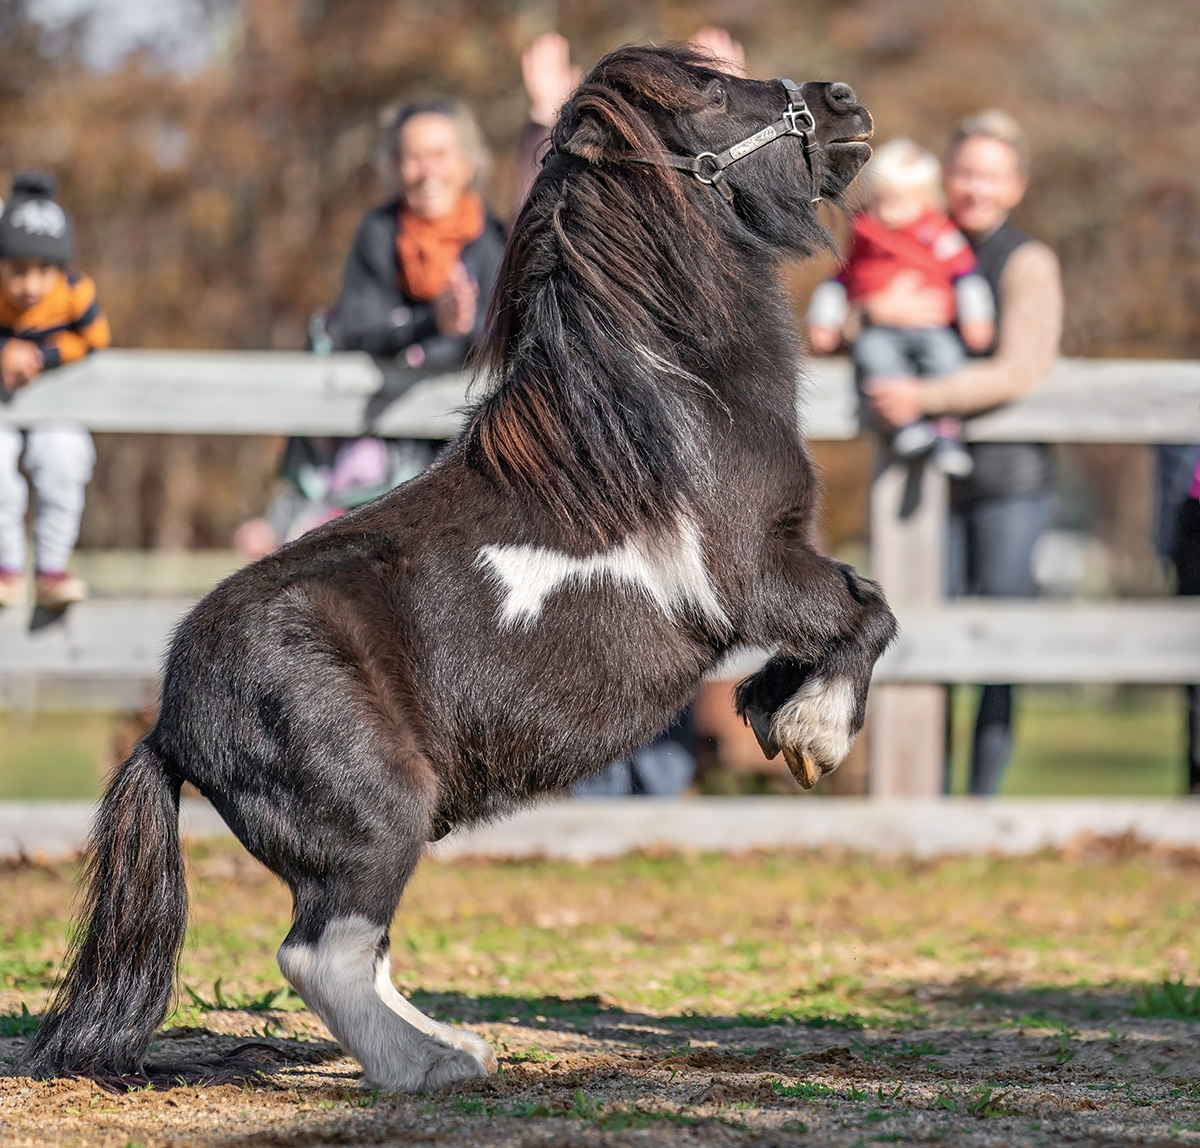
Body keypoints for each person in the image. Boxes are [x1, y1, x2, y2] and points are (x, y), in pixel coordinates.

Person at [863, 111, 1063, 796]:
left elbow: (1021, 368)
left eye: (991, 175)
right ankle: (926, 794)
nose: (974, 187)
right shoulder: (911, 238)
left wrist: (924, 396)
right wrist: (874, 312)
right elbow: (857, 308)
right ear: (944, 176)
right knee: (919, 640)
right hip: (925, 479)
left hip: (1010, 482)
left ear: (1016, 186)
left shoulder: (1028, 261)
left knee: (996, 648)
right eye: (964, 172)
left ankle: (982, 800)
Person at [235, 98, 505, 557]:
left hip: (454, 434)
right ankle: (296, 515)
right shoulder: (378, 233)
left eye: (440, 155)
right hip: (370, 422)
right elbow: (360, 331)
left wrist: (456, 330)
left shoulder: (492, 238)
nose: (426, 171)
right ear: (395, 167)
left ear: (468, 162)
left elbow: (496, 338)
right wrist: (431, 324)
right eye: (413, 157)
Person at [807, 138, 994, 478]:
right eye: (880, 203)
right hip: (880, 332)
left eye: (900, 203)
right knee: (874, 358)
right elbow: (839, 282)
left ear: (925, 201)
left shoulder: (939, 234)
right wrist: (824, 321)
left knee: (948, 359)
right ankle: (904, 428)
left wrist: (977, 318)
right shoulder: (863, 237)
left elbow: (967, 277)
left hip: (932, 329)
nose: (888, 213)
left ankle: (947, 433)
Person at [0, 170, 111, 608]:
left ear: (62, 268)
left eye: (44, 270)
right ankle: (6, 569)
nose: (31, 285)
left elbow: (96, 337)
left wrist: (42, 358)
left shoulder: (75, 294)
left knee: (63, 459)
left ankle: (52, 569)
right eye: (17, 270)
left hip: (55, 410)